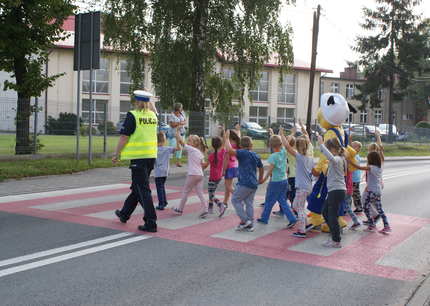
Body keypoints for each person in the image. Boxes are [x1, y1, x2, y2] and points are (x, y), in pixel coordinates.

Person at [113, 90, 159, 232]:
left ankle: (151, 222)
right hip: (150, 156)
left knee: (143, 190)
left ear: (136, 101)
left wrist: (117, 154)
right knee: (137, 187)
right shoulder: (153, 116)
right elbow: (152, 110)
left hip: (138, 158)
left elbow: (124, 137)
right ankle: (124, 213)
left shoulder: (133, 115)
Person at [225, 131, 264, 232]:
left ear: (241, 145)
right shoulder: (255, 155)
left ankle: (245, 220)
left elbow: (229, 150)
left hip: (245, 183)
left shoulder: (242, 152)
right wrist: (260, 178)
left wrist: (226, 138)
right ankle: (250, 224)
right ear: (251, 145)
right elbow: (261, 167)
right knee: (249, 202)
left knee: (235, 200)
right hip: (253, 183)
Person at [280, 130, 314, 238]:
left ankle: (302, 230)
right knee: (295, 205)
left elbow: (287, 146)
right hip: (307, 186)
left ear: (298, 147)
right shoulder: (310, 158)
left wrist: (281, 134)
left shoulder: (300, 157)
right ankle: (307, 223)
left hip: (302, 187)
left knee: (299, 208)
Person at [257, 134, 297, 227]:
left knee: (269, 200)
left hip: (275, 182)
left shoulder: (273, 156)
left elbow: (270, 170)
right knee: (282, 200)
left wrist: (264, 179)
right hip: (284, 180)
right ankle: (292, 218)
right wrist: (286, 134)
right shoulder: (283, 152)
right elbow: (286, 143)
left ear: (271, 146)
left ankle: (264, 218)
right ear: (280, 144)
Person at [318, 135, 347, 248]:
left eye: (329, 149)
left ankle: (336, 240)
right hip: (334, 191)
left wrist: (321, 144)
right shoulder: (337, 159)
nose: (328, 151)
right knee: (325, 212)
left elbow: (331, 158)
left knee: (331, 215)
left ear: (333, 149)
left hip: (337, 191)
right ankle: (335, 234)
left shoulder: (338, 159)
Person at [173, 134, 209, 218]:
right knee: (200, 192)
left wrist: (177, 133)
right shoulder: (199, 152)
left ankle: (180, 208)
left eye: (189, 140)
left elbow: (182, 142)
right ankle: (205, 208)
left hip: (193, 174)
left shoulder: (191, 149)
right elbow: (203, 165)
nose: (188, 142)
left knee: (185, 191)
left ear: (194, 143)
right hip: (200, 174)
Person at [355, 151, 391, 234]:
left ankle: (372, 225)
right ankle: (386, 226)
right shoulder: (379, 167)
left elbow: (358, 167)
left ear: (371, 159)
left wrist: (349, 161)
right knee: (379, 209)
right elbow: (382, 156)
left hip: (372, 191)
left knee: (366, 207)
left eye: (368, 158)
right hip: (377, 190)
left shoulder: (371, 167)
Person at [154, 129, 182, 210]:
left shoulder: (154, 149)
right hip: (165, 170)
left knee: (159, 187)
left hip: (158, 171)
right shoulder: (167, 148)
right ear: (164, 140)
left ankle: (161, 204)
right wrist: (177, 140)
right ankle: (164, 201)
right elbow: (179, 148)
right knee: (162, 186)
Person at [204, 136, 227, 217]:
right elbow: (224, 143)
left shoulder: (211, 156)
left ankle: (221, 205)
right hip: (219, 176)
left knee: (211, 194)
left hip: (213, 177)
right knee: (212, 192)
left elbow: (205, 165)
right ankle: (210, 208)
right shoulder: (223, 151)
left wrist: (205, 154)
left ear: (213, 145)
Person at [221, 130, 240, 209]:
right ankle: (225, 202)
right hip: (235, 166)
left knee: (228, 186)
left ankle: (239, 198)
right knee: (228, 186)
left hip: (229, 167)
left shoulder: (228, 147)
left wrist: (223, 170)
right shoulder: (235, 144)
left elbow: (226, 159)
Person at [167, 103, 186, 167]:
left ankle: (178, 162)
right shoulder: (172, 115)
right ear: (178, 108)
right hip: (174, 134)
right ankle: (167, 162)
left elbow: (185, 121)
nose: (182, 109)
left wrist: (179, 123)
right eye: (181, 107)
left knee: (180, 148)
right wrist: (180, 123)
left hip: (181, 133)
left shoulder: (182, 113)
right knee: (172, 147)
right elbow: (172, 125)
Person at [351, 141, 363, 213]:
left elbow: (353, 165)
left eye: (354, 146)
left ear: (358, 148)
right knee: (354, 193)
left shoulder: (355, 156)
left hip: (354, 178)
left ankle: (359, 207)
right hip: (355, 177)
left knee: (355, 193)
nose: (352, 147)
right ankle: (358, 207)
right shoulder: (356, 156)